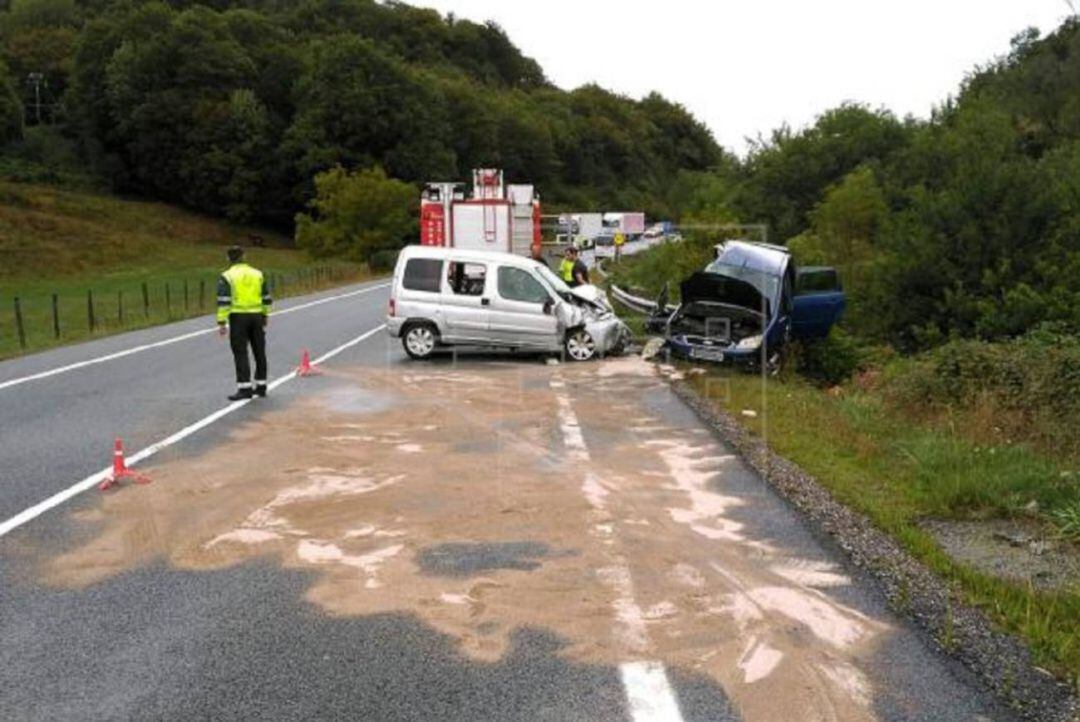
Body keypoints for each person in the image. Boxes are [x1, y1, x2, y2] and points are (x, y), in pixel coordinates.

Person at [217, 246, 272, 400]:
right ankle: (261, 386)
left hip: (238, 317)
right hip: (256, 316)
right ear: (244, 256)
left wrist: (222, 322)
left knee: (240, 352)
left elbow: (224, 301)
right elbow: (266, 296)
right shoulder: (258, 274)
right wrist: (266, 314)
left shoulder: (227, 276)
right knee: (259, 351)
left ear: (228, 258)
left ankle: (244, 388)